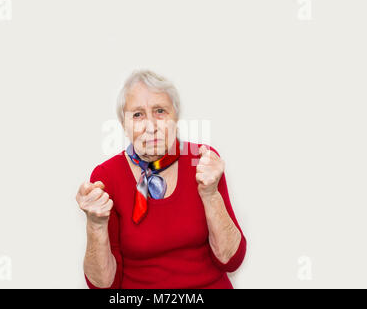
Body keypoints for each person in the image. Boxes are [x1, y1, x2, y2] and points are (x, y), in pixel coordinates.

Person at [76, 70, 246, 289]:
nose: (151, 126)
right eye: (137, 115)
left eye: (160, 111)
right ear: (123, 125)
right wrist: (95, 224)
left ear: (175, 118)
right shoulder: (107, 176)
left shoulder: (202, 160)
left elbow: (230, 260)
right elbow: (103, 285)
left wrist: (210, 193)